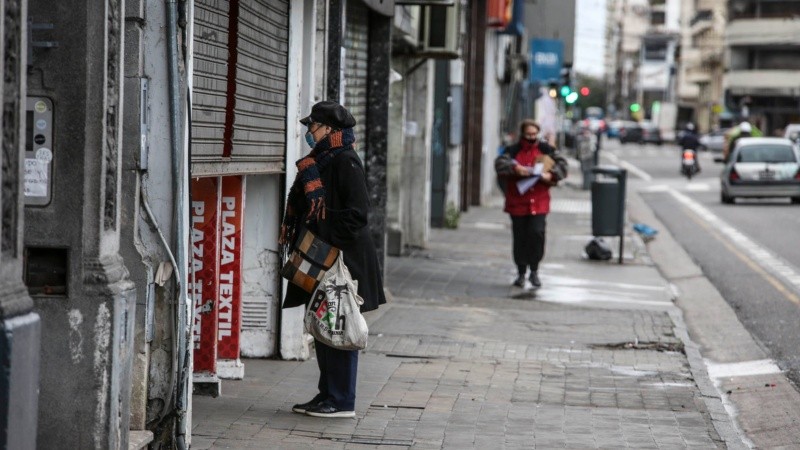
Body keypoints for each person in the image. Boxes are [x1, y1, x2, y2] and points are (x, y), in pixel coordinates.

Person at [279, 100, 386, 418]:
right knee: (324, 325)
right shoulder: (321, 160)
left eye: (313, 127)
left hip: (341, 257)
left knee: (339, 324)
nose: (309, 133)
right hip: (321, 255)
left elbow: (357, 215)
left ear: (330, 130)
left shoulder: (344, 161)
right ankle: (328, 394)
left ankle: (341, 400)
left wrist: (324, 231)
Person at [495, 119, 568, 289]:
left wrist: (552, 175)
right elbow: (499, 164)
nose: (531, 138)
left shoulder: (545, 150)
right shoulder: (512, 151)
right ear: (522, 134)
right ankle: (521, 272)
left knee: (536, 234)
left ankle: (534, 270)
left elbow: (562, 165)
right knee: (520, 237)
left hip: (539, 202)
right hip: (518, 202)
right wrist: (516, 169)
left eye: (534, 135)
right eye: (528, 135)